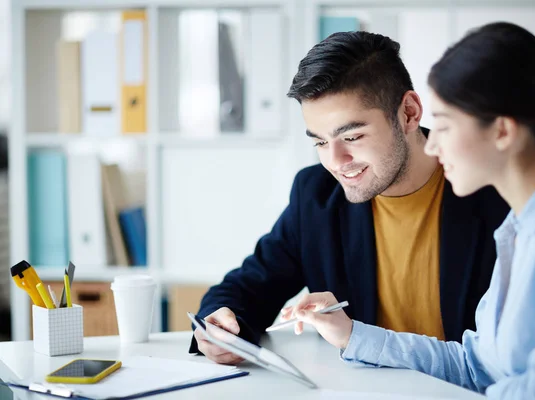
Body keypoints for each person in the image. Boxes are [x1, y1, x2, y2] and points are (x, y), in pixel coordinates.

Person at [285, 22, 535, 399]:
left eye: (446, 127)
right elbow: (476, 367)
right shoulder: (520, 227)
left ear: (502, 131)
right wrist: (351, 335)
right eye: (321, 141)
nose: (432, 148)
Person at [189, 31, 509, 365]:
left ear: (409, 113)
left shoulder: (490, 189)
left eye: (352, 136)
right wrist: (221, 324)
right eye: (320, 142)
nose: (336, 162)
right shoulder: (316, 196)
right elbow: (246, 289)